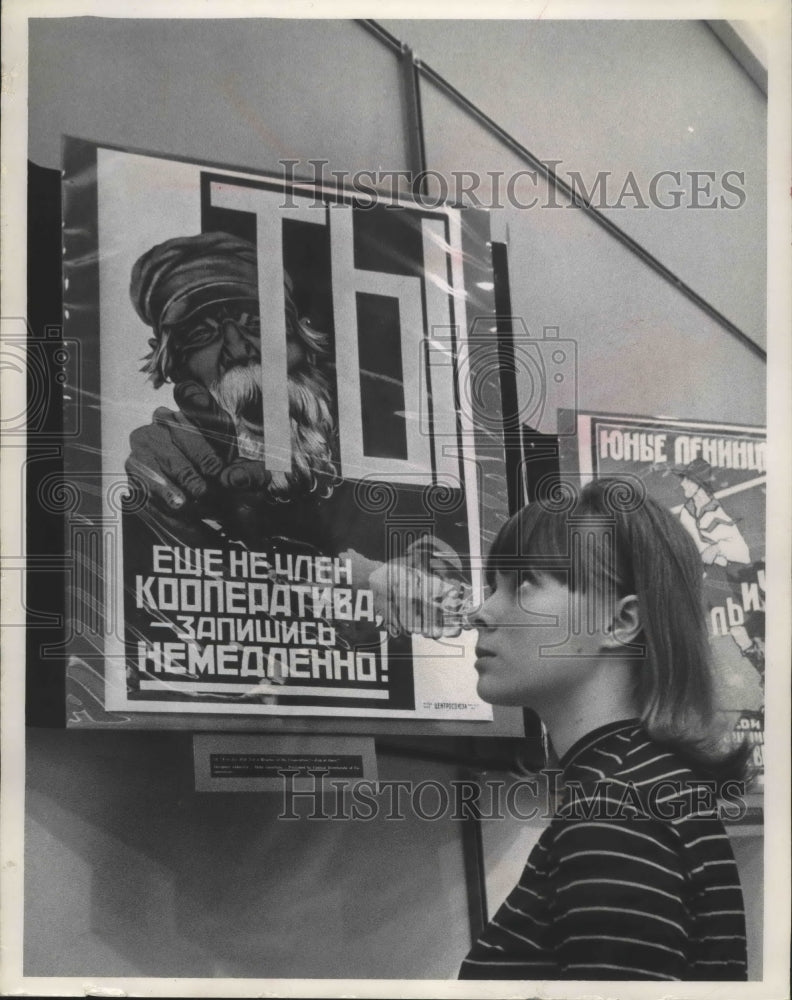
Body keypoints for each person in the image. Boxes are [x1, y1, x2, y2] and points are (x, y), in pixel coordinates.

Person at [459, 477, 750, 981]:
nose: (480, 612)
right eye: (493, 587)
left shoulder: (616, 816)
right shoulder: (639, 786)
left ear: (621, 622)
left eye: (523, 583)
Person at [124, 231, 467, 639]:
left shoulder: (391, 439)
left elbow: (454, 592)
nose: (238, 350)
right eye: (202, 335)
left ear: (299, 338)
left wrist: (391, 575)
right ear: (177, 369)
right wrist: (176, 516)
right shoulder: (176, 463)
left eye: (258, 324)